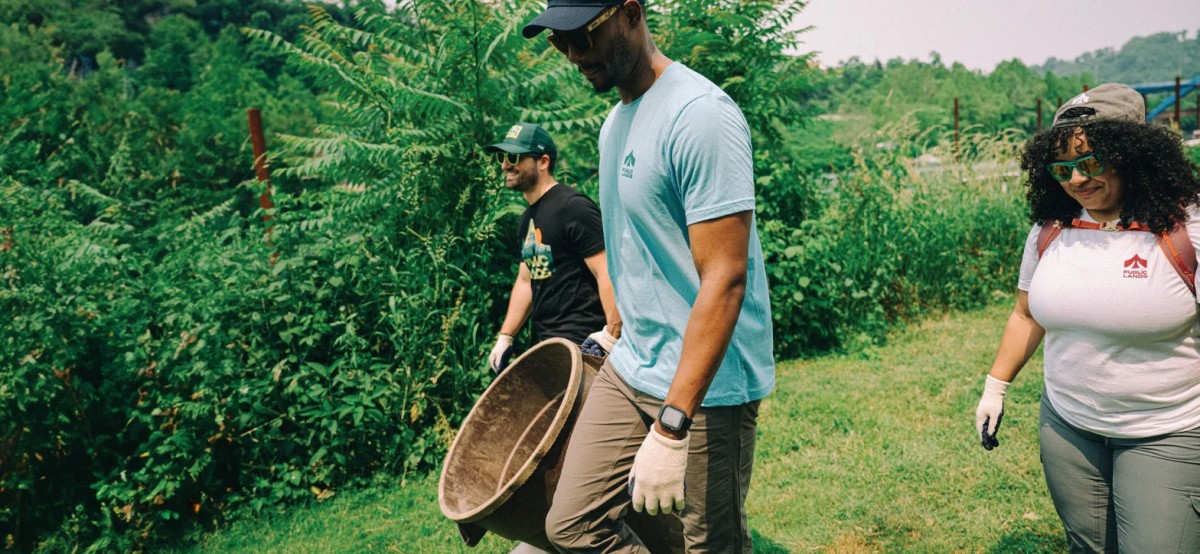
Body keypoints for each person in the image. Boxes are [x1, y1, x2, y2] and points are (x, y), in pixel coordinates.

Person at [522, 1, 775, 551]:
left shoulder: (699, 114)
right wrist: (614, 330)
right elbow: (638, 248)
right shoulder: (615, 123)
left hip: (708, 386)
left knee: (710, 545)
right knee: (570, 524)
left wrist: (672, 424)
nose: (571, 55)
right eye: (557, 43)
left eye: (581, 38)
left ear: (630, 14)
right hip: (632, 364)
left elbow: (726, 277)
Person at [973, 83, 1200, 553]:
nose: (1077, 179)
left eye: (1091, 161)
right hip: (1067, 427)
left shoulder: (1187, 229)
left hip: (1167, 430)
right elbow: (1025, 313)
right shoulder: (1051, 229)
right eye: (1063, 168)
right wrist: (995, 388)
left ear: (1131, 155)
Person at [484, 122, 620, 374]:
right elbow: (526, 280)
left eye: (514, 157)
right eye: (502, 157)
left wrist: (612, 336)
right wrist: (506, 336)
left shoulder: (572, 207)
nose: (504, 165)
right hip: (548, 346)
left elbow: (607, 271)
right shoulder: (527, 218)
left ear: (543, 161)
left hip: (584, 345)